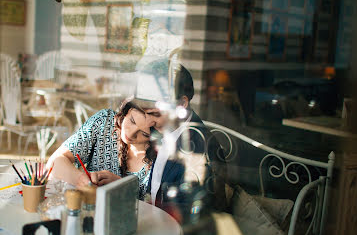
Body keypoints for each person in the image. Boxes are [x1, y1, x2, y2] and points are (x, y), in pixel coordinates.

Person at [133, 57, 229, 221]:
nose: (148, 122)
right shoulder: (167, 131)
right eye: (145, 113)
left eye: (155, 113)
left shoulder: (198, 151)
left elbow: (193, 218)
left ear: (182, 104)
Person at [48, 98, 157, 200]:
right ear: (127, 111)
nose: (131, 133)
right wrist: (80, 180)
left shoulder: (159, 158)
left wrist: (124, 187)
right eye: (132, 121)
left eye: (144, 134)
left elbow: (155, 208)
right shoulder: (104, 122)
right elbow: (55, 162)